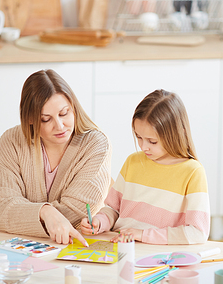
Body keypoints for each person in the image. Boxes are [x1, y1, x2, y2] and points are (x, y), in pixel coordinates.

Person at [0, 69, 112, 246]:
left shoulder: (95, 144)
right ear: (30, 119)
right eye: (46, 119)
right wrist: (46, 212)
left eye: (64, 113)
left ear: (73, 107)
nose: (60, 126)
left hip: (73, 245)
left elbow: (78, 212)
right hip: (16, 245)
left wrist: (22, 215)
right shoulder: (11, 141)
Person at [81, 89, 210, 244]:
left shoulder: (192, 172)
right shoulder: (133, 162)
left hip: (158, 255)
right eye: (139, 137)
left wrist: (142, 234)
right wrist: (100, 221)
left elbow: (197, 232)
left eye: (152, 141)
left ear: (177, 133)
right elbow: (113, 209)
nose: (143, 147)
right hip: (119, 246)